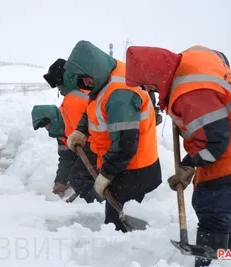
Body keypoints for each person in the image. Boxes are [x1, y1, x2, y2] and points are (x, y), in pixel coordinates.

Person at [125, 44, 231, 266]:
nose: (147, 90)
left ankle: (210, 260)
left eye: (146, 85)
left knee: (210, 207)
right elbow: (220, 56)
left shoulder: (190, 94)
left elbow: (214, 142)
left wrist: (189, 163)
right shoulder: (192, 56)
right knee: (216, 202)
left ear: (154, 76)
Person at [64, 40, 162, 232]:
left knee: (117, 224)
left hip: (133, 169)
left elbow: (126, 143)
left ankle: (130, 252)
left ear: (94, 69)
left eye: (86, 78)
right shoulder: (105, 77)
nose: (85, 83)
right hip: (124, 166)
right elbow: (94, 107)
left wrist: (107, 174)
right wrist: (81, 130)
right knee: (118, 214)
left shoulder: (120, 94)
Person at [31, 58, 102, 203]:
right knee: (78, 175)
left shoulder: (72, 101)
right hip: (103, 147)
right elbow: (66, 159)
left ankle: (94, 205)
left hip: (100, 148)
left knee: (78, 177)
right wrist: (60, 182)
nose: (47, 129)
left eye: (58, 85)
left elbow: (89, 134)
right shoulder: (76, 98)